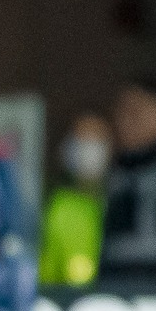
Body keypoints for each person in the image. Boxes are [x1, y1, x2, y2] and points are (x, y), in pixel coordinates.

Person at [39, 113, 109, 287]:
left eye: (96, 142)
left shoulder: (122, 198)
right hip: (72, 301)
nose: (89, 151)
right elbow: (47, 273)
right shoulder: (59, 206)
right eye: (81, 142)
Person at [103, 79, 156, 278]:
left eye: (137, 112)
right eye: (122, 113)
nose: (127, 121)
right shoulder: (110, 176)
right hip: (113, 293)